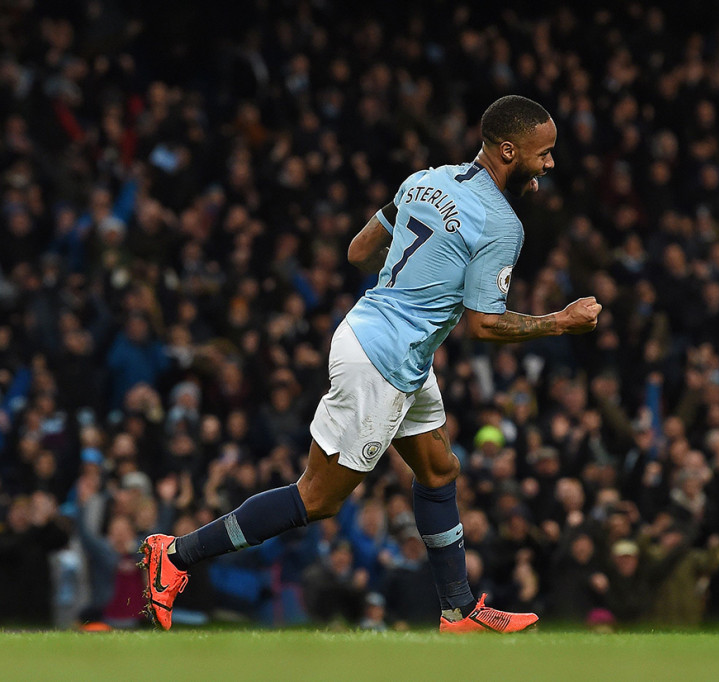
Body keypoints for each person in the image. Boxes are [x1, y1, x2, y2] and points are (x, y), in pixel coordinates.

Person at [139, 95, 602, 631]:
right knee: (316, 498)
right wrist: (560, 321)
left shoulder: (425, 179)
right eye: (542, 154)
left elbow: (359, 251)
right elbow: (485, 326)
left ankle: (458, 610)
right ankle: (174, 556)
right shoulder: (502, 225)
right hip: (383, 358)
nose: (549, 164)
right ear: (508, 150)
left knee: (438, 468)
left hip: (383, 336)